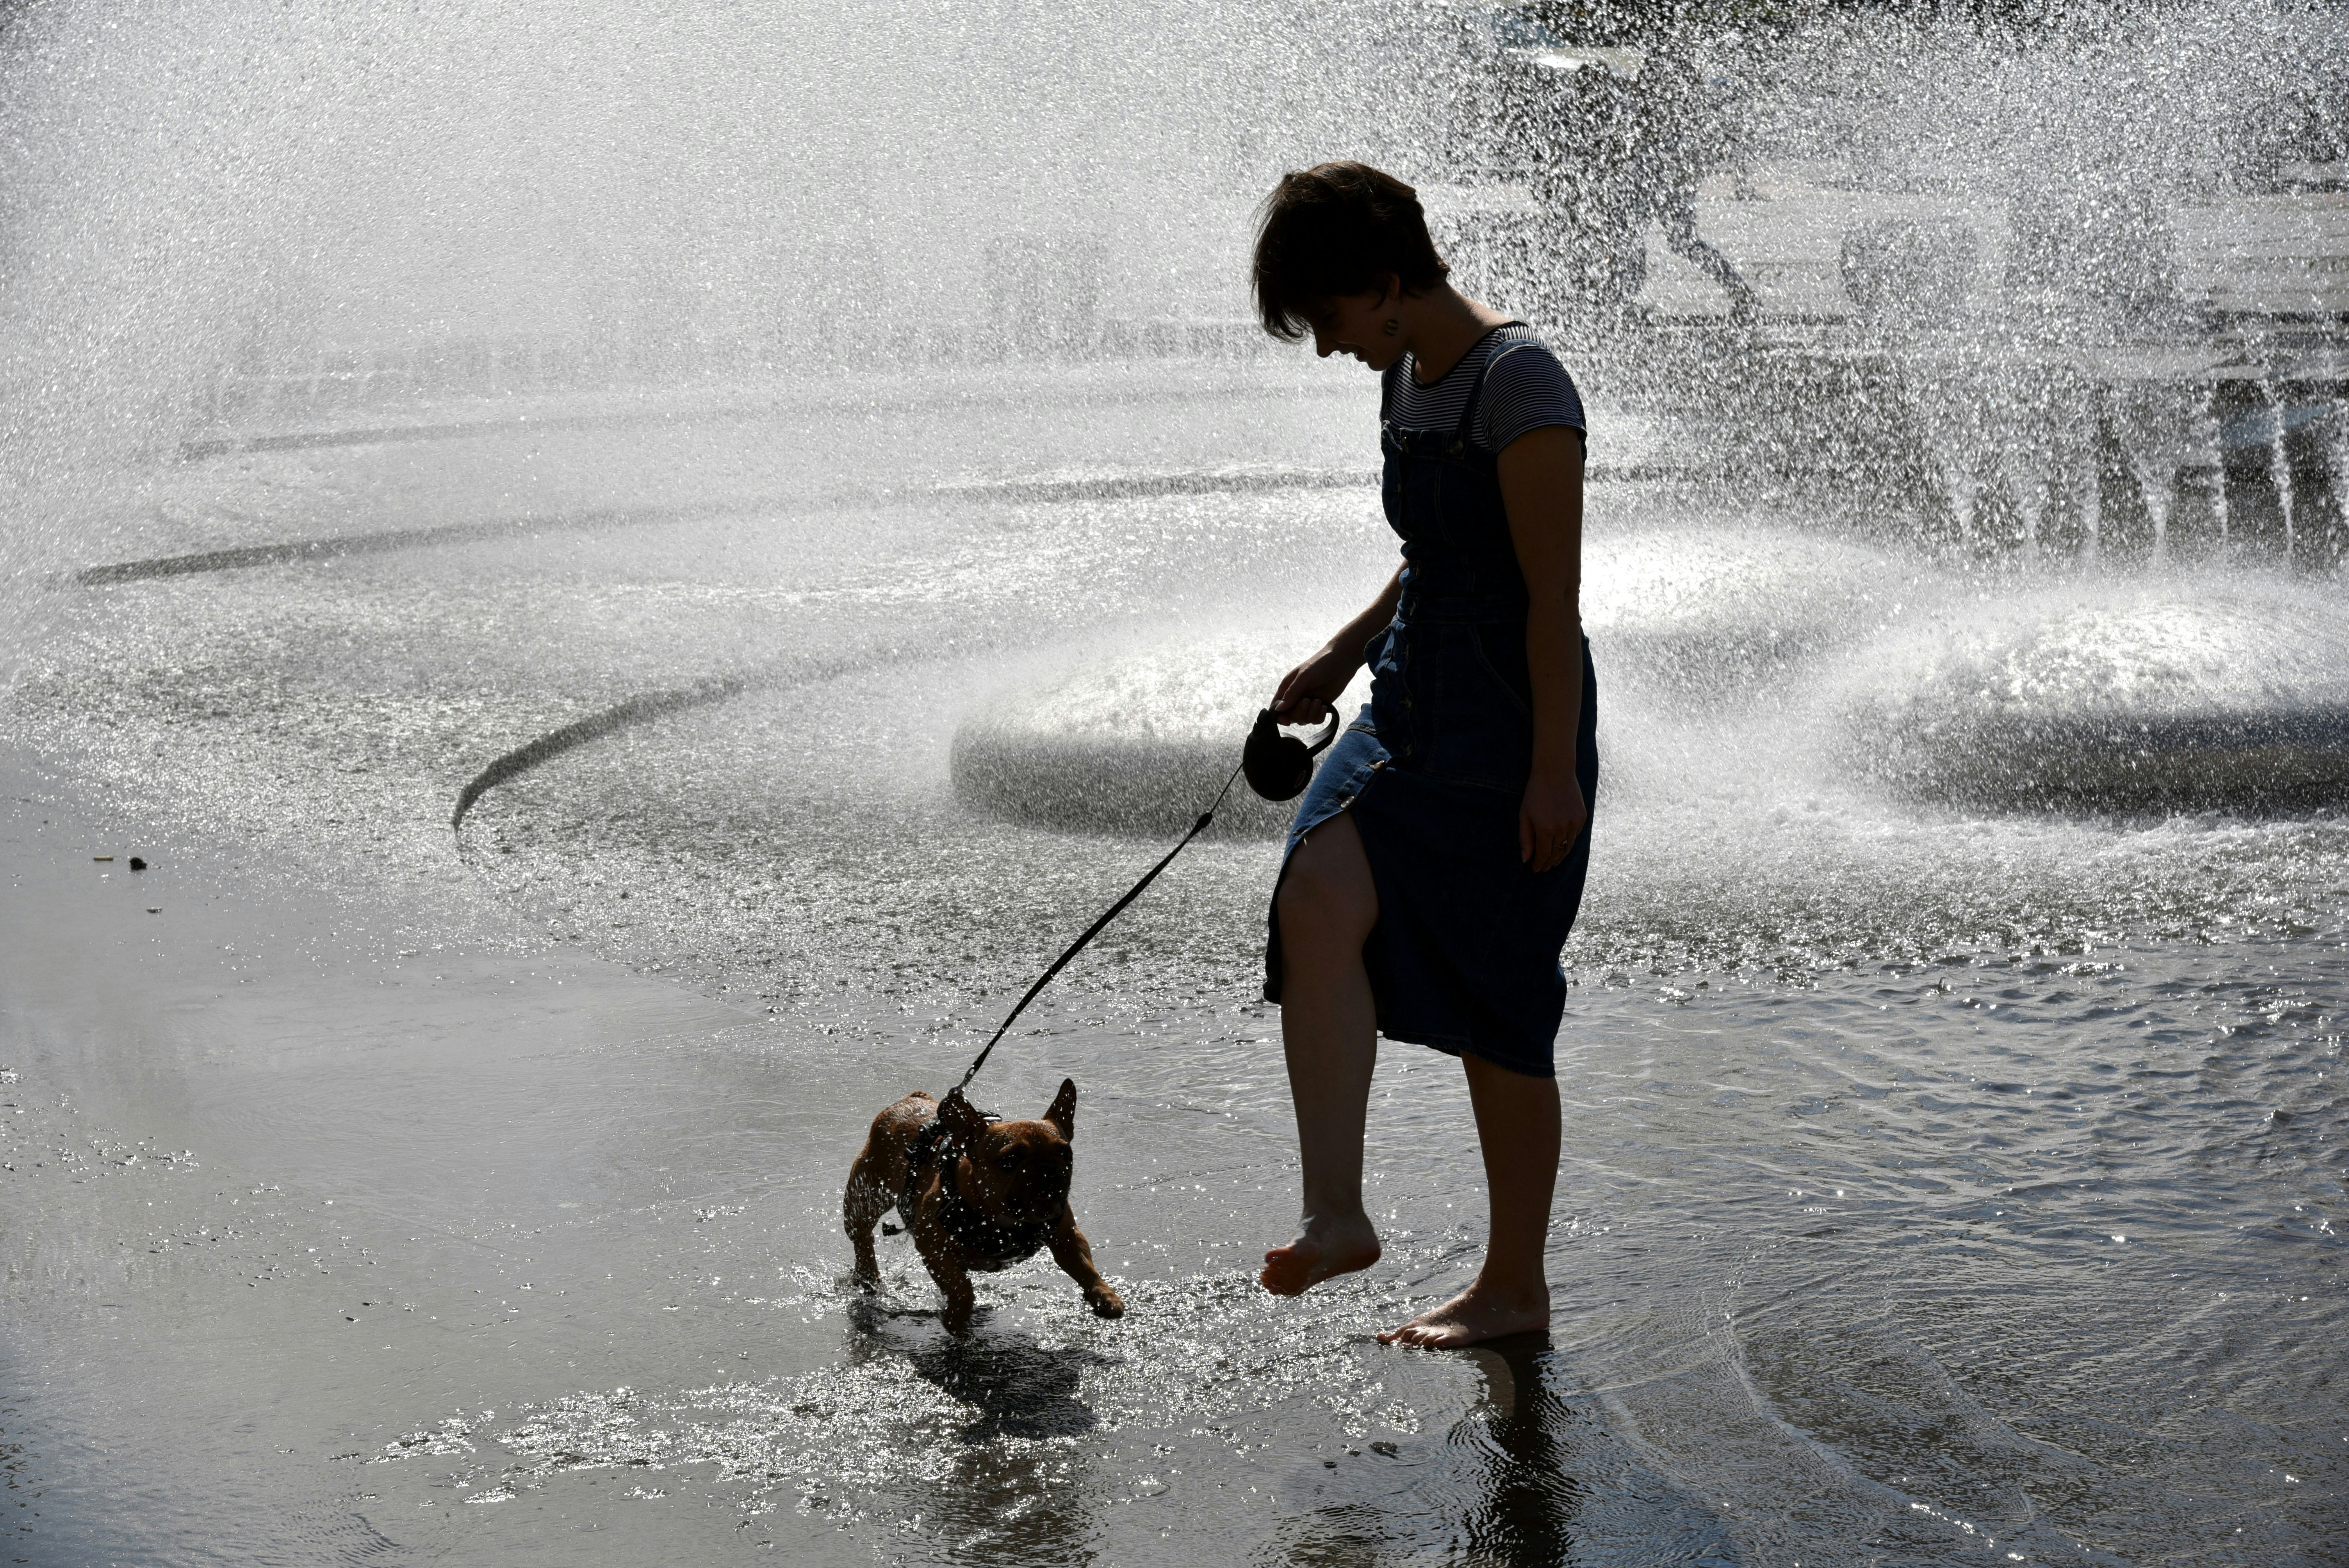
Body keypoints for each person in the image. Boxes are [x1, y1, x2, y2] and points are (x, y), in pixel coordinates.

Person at [1249, 162, 1599, 1349]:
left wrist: (1551, 771)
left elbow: (1551, 600)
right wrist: (1345, 656)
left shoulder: (1523, 386)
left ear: (1389, 285)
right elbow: (1429, 559)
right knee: (1315, 892)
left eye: (1331, 319)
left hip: (1510, 717)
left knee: (1501, 1001)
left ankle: (1515, 1287)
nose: (1327, 347)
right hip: (1409, 702)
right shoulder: (1406, 372)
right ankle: (1338, 1213)